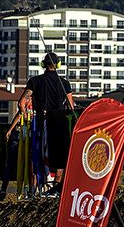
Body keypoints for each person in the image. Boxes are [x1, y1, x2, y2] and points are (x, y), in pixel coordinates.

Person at [17, 52, 74, 192]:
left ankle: (40, 184)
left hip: (41, 120)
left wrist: (24, 115)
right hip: (60, 121)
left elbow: (21, 103)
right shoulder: (65, 83)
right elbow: (71, 107)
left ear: (43, 65)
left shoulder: (35, 81)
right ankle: (56, 186)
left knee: (38, 153)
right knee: (60, 155)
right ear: (58, 65)